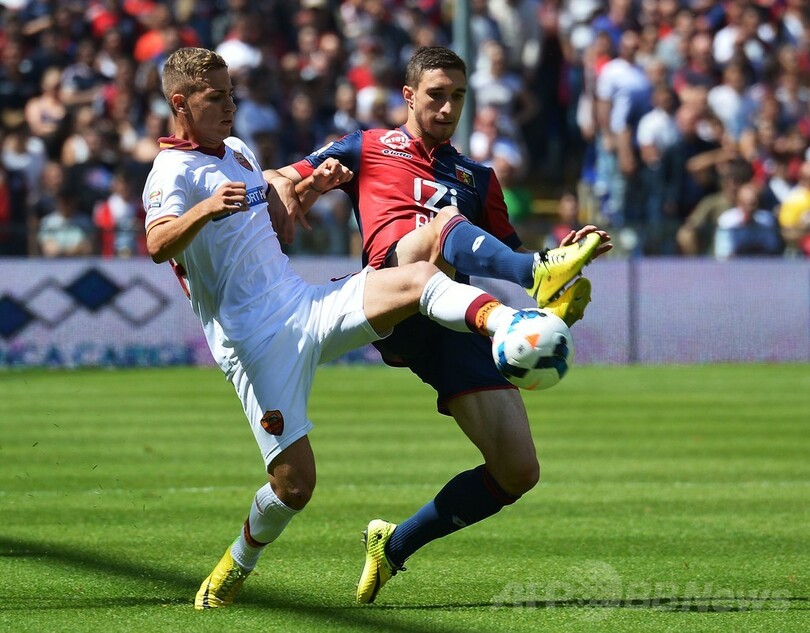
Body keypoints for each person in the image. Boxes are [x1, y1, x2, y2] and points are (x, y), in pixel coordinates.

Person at [141, 47, 599, 611]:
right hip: (258, 340)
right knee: (294, 487)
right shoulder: (178, 171)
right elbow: (160, 241)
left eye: (232, 95)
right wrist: (223, 204)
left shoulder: (239, 152)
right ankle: (239, 559)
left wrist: (308, 192)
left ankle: (396, 542)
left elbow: (276, 224)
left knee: (517, 469)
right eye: (217, 98)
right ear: (181, 104)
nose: (231, 106)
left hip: (334, 304)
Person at [274, 46, 611, 604]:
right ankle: (538, 276)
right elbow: (281, 176)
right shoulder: (366, 146)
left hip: (452, 319)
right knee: (442, 225)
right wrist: (294, 192)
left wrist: (557, 263)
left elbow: (499, 251)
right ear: (408, 96)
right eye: (436, 94)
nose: (448, 107)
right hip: (392, 291)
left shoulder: (479, 178)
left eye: (458, 96)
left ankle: (395, 544)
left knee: (517, 471)